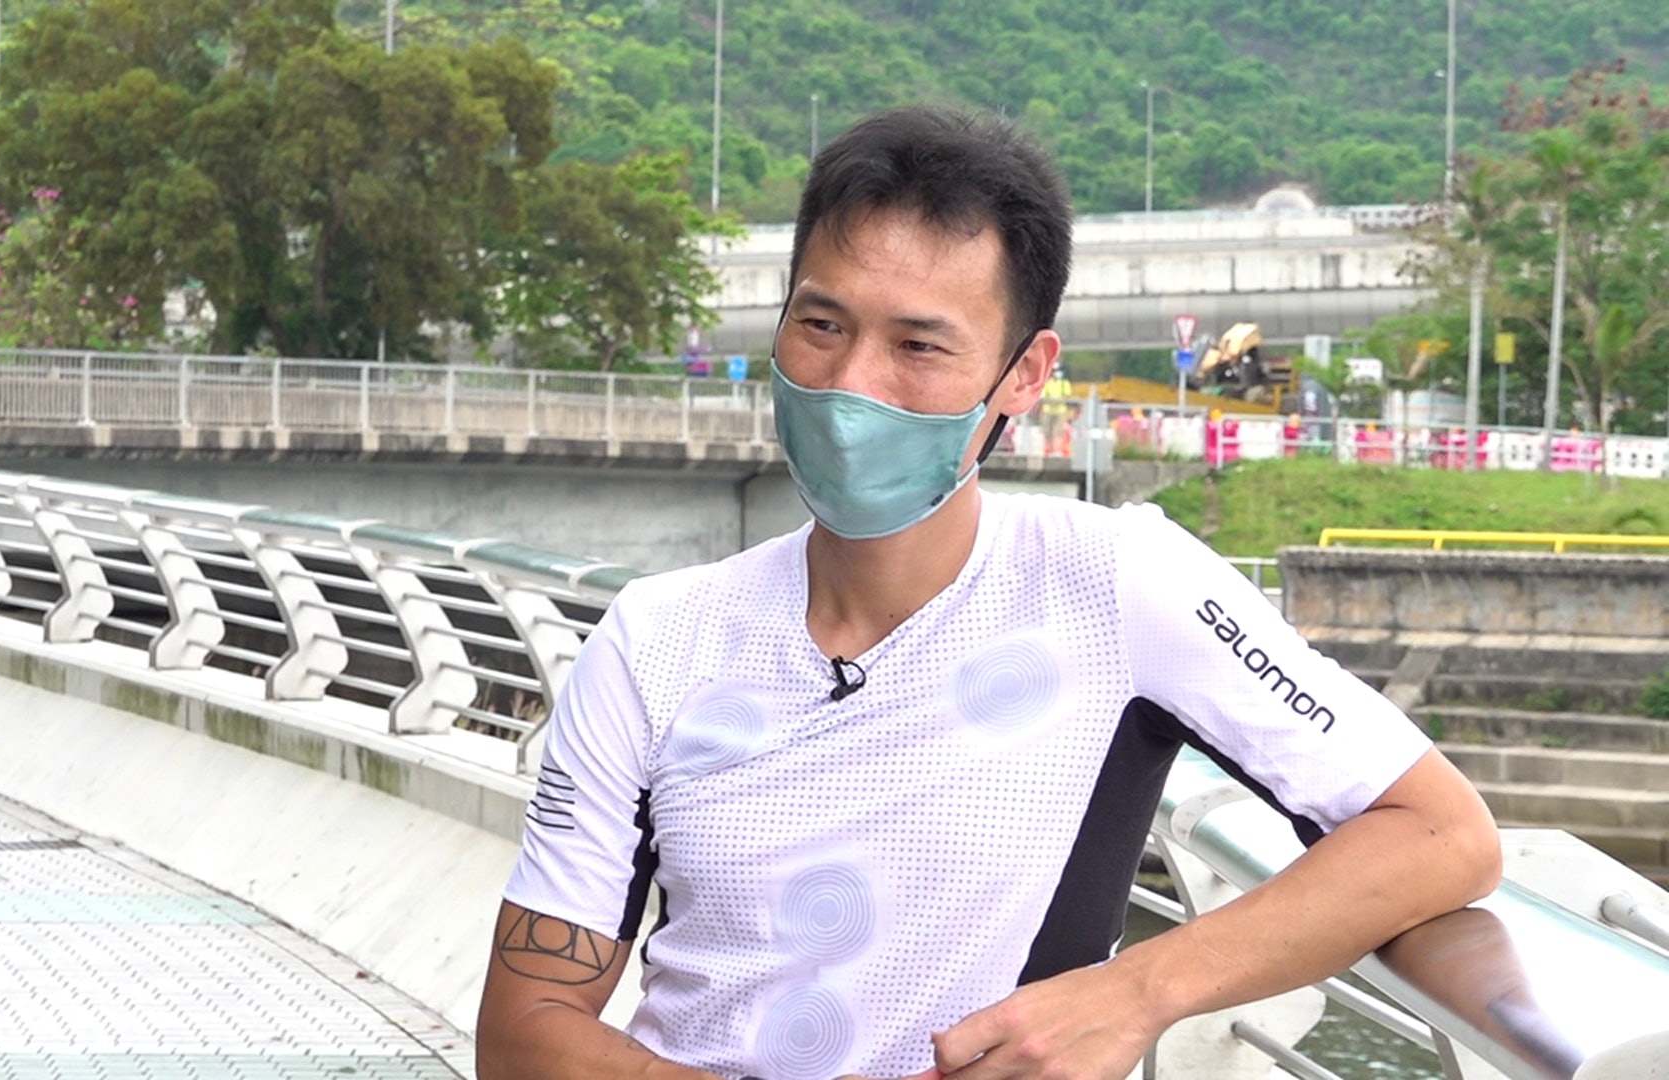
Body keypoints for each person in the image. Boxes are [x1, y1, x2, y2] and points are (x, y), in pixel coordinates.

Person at [476, 106, 1500, 1080]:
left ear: (1024, 373)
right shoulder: (655, 639)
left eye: (919, 346)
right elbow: (524, 1037)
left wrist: (1140, 991)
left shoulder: (1118, 585)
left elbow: (1439, 832)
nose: (851, 384)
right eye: (821, 323)